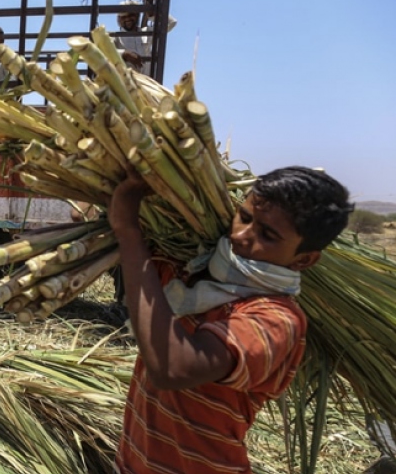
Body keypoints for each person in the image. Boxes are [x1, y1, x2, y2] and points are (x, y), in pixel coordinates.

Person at [108, 166, 353, 473]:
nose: (239, 235)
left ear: (304, 259)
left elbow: (172, 368)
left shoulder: (275, 320)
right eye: (245, 217)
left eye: (268, 235)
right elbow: (138, 276)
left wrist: (127, 231)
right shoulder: (190, 273)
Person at [114, 0, 177, 77]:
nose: (127, 19)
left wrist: (152, 14)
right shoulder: (115, 37)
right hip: (126, 85)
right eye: (123, 17)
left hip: (147, 83)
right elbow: (105, 52)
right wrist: (124, 54)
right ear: (119, 19)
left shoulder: (147, 32)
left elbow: (171, 23)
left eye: (131, 15)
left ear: (137, 15)